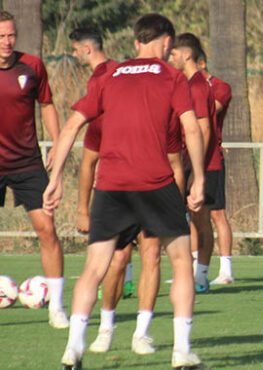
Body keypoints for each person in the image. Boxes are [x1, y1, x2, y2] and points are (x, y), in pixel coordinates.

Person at [44, 13, 206, 369]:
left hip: (111, 187)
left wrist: (55, 178)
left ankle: (73, 348)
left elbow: (73, 125)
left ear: (137, 42)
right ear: (166, 42)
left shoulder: (110, 75)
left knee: (93, 269)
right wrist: (199, 181)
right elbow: (191, 131)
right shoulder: (173, 76)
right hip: (155, 184)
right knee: (181, 262)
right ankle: (181, 351)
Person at [68, 27, 186, 355]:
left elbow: (175, 160)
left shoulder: (167, 113)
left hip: (155, 189)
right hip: (118, 190)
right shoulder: (108, 112)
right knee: (116, 260)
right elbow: (89, 162)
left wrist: (178, 200)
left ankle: (141, 333)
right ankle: (105, 327)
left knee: (151, 255)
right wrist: (81, 208)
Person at [0, 10, 69, 329]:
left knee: (48, 230)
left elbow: (47, 105)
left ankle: (57, 307)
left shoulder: (33, 65)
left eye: (11, 35)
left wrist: (57, 142)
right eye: (1, 36)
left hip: (28, 163)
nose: (7, 41)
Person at [168, 33, 218, 294]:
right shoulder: (187, 83)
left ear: (186, 55)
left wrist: (196, 171)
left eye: (174, 54)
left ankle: (201, 276)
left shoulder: (197, 85)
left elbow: (204, 128)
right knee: (190, 220)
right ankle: (191, 273)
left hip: (205, 165)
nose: (170, 57)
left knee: (201, 221)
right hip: (191, 163)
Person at [197, 53, 234, 285]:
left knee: (217, 213)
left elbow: (210, 113)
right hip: (190, 159)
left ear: (201, 62)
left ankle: (226, 270)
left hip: (212, 159)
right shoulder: (186, 86)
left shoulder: (220, 87)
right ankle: (196, 269)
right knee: (193, 215)